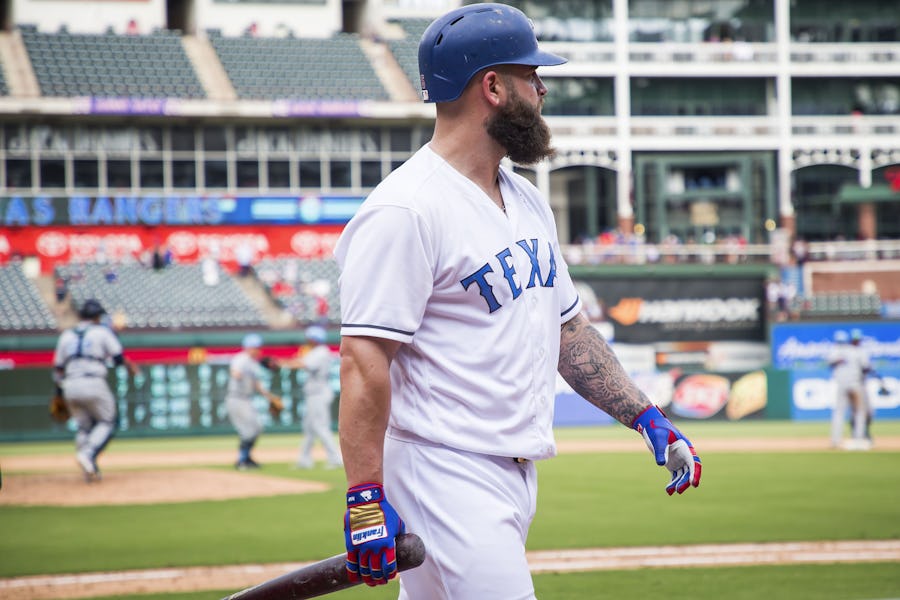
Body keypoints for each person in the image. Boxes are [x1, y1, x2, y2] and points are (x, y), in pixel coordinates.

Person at [333, 4, 703, 597]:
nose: (542, 88)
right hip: (444, 466)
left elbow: (568, 332)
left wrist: (646, 416)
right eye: (531, 75)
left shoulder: (525, 199)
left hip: (508, 469)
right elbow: (363, 357)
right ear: (493, 87)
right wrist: (365, 498)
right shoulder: (406, 209)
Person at [52, 299, 140, 482]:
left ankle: (88, 469)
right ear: (98, 316)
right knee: (108, 422)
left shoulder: (67, 335)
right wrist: (131, 368)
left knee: (84, 427)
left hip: (70, 385)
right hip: (93, 381)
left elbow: (58, 369)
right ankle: (88, 455)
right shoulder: (101, 332)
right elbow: (118, 358)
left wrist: (59, 393)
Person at [284, 325, 343, 469]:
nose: (307, 340)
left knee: (321, 427)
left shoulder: (321, 351)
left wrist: (282, 363)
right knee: (309, 428)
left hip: (319, 394)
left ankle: (336, 458)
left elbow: (302, 364)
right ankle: (305, 460)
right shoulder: (314, 351)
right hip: (313, 394)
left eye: (309, 337)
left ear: (314, 339)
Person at [225, 333, 282, 469]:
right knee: (248, 431)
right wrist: (238, 374)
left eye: (258, 347)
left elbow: (256, 385)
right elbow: (235, 372)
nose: (258, 350)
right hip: (236, 398)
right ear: (248, 347)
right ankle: (242, 461)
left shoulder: (252, 363)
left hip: (246, 399)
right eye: (255, 347)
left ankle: (247, 458)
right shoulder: (241, 359)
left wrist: (270, 397)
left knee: (257, 428)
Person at [828, 328, 873, 450]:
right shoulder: (857, 351)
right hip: (855, 384)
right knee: (859, 412)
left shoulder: (836, 351)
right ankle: (858, 439)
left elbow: (830, 364)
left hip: (841, 384)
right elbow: (866, 367)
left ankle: (835, 440)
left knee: (839, 412)